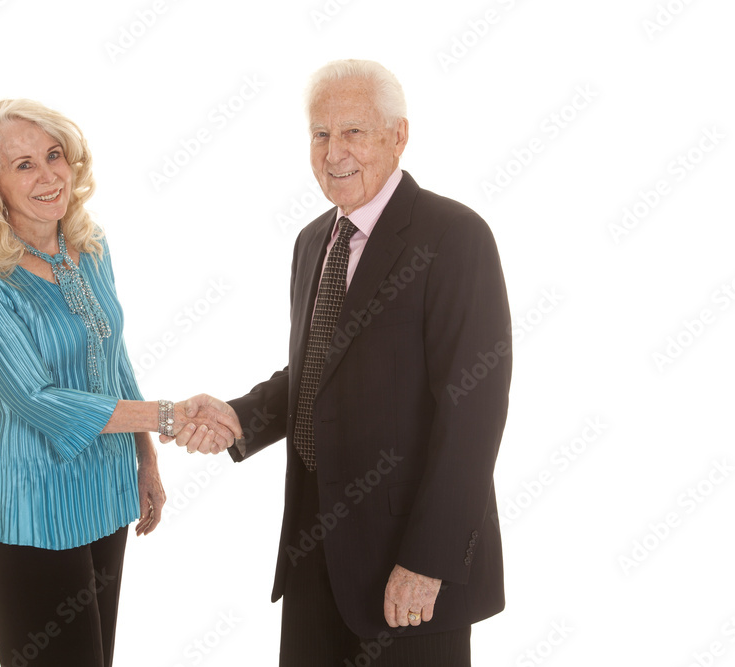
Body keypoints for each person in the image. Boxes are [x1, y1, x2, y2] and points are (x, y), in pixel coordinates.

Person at [171, 60, 512, 665]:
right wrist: (239, 416)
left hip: (408, 567)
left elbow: (474, 415)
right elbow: (318, 374)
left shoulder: (454, 236)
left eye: (353, 131)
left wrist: (428, 561)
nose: (334, 153)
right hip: (314, 555)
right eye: (320, 134)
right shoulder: (313, 241)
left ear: (398, 136)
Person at [0, 98, 239, 667]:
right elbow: (37, 399)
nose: (49, 175)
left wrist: (145, 457)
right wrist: (169, 414)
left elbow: (113, 358)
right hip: (31, 502)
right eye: (23, 164)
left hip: (103, 488)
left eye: (55, 155)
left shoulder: (89, 245)